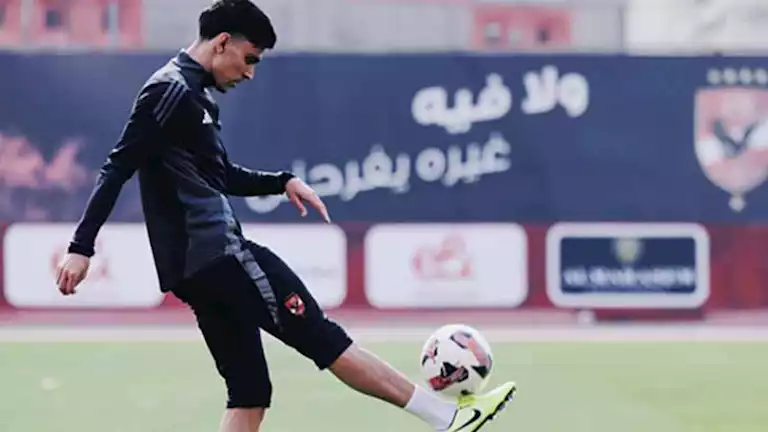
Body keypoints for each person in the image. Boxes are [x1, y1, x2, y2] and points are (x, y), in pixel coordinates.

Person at [54, 1, 516, 431]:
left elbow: (219, 176)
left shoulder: (193, 95)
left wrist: (281, 181)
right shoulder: (169, 91)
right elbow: (117, 167)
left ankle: (446, 418)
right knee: (323, 338)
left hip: (195, 269)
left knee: (249, 392)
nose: (250, 73)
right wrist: (81, 248)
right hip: (219, 256)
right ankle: (446, 418)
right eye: (249, 58)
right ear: (222, 42)